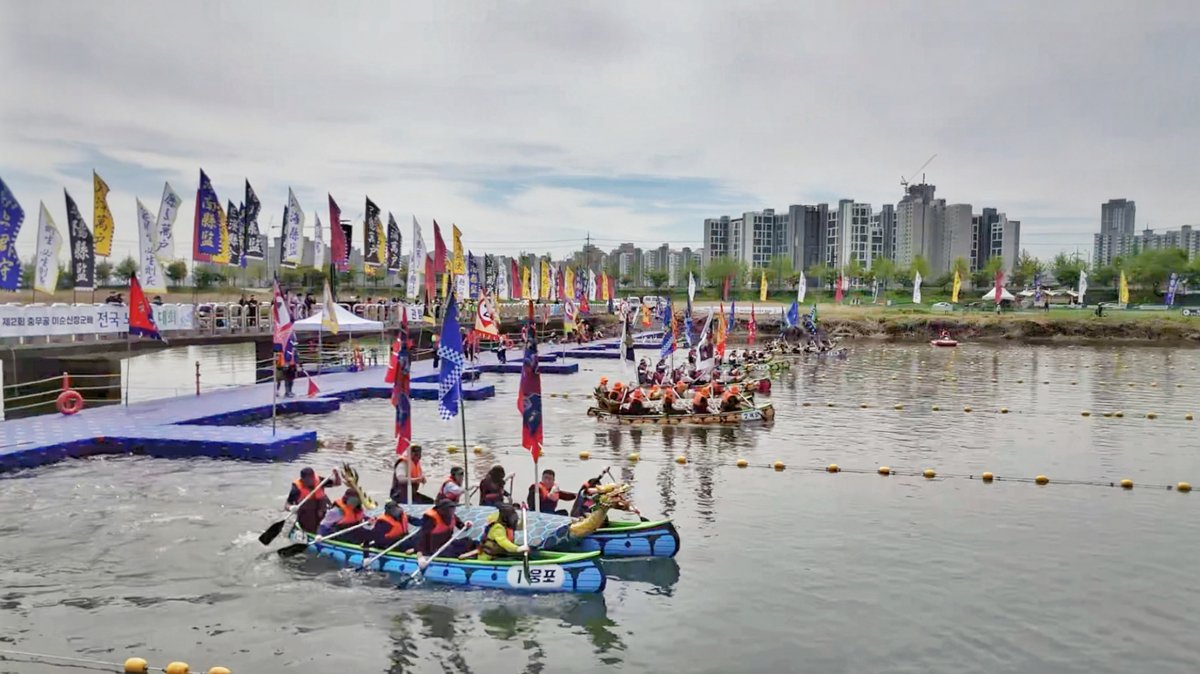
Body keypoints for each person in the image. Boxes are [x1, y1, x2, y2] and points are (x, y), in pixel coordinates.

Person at [284, 467, 341, 534]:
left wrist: (336, 475)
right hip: (306, 513)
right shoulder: (296, 489)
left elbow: (337, 483)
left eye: (311, 479)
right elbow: (287, 504)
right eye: (306, 480)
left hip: (321, 509)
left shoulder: (320, 480)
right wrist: (291, 507)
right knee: (310, 526)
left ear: (313, 476)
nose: (309, 482)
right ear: (302, 479)